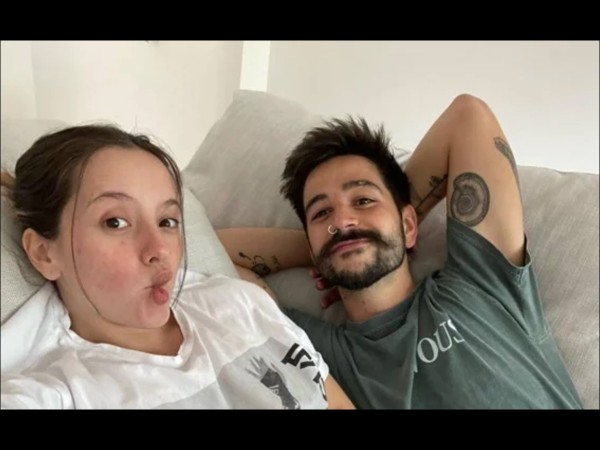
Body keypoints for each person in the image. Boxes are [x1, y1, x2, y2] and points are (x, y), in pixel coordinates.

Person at [219, 94, 583, 409]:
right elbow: (204, 252)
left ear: (409, 225)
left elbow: (468, 116)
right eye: (322, 212)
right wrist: (323, 248)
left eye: (363, 200)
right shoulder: (321, 353)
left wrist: (381, 230)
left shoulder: (481, 282)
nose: (342, 220)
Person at [0, 124, 354, 409]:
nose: (160, 250)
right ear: (44, 254)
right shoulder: (59, 392)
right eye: (115, 222)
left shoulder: (242, 303)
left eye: (167, 221)